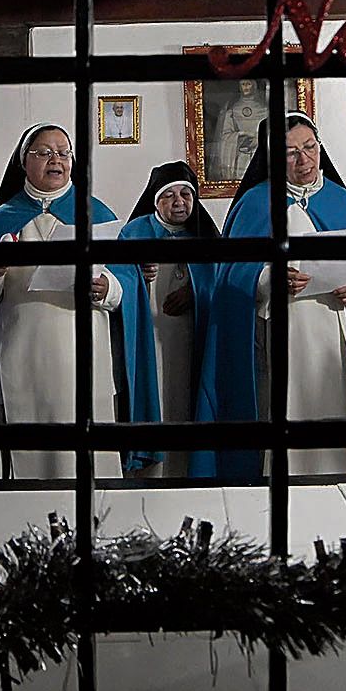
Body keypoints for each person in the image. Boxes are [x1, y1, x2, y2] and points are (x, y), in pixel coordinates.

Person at [193, 113, 346, 479]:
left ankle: (342, 478)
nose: (303, 159)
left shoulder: (341, 202)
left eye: (310, 148)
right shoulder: (255, 204)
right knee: (282, 415)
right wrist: (268, 278)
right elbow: (230, 278)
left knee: (334, 416)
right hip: (276, 336)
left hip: (334, 334)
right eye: (290, 153)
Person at [0, 123, 159, 479]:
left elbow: (128, 282)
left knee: (83, 468)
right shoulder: (1, 220)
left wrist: (107, 288)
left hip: (79, 363)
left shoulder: (98, 214)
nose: (56, 160)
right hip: (11, 361)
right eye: (44, 152)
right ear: (24, 162)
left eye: (63, 152)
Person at [119, 161, 220, 477]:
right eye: (170, 196)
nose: (179, 203)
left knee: (186, 403)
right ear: (155, 199)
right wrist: (136, 273)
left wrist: (196, 293)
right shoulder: (133, 233)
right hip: (150, 337)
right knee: (155, 400)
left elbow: (220, 284)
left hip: (191, 341)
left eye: (186, 195)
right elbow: (115, 277)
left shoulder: (206, 235)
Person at [210, 78, 269, 181]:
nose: (245, 87)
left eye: (248, 84)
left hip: (260, 157)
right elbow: (225, 136)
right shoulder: (232, 111)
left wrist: (258, 139)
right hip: (241, 158)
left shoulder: (265, 110)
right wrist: (240, 135)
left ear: (254, 86)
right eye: (243, 84)